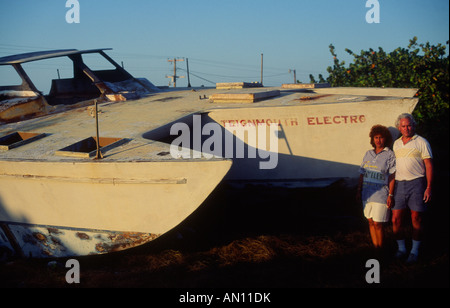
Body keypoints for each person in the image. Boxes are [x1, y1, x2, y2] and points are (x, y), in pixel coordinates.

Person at [392, 113, 433, 263]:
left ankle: (414, 251)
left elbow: (429, 165)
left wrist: (428, 187)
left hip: (417, 183)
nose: (407, 128)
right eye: (403, 126)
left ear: (414, 125)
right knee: (396, 219)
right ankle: (401, 249)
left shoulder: (422, 142)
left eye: (409, 125)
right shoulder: (396, 144)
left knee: (416, 218)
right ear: (399, 127)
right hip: (398, 184)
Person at [357, 124, 396, 250]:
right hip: (367, 194)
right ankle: (375, 248)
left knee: (378, 223)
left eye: (381, 137)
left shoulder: (389, 154)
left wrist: (390, 194)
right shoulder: (368, 154)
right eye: (376, 137)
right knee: (370, 221)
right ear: (372, 139)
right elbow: (362, 173)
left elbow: (392, 176)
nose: (378, 140)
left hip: (381, 195)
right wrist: (359, 190)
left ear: (386, 139)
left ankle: (381, 250)